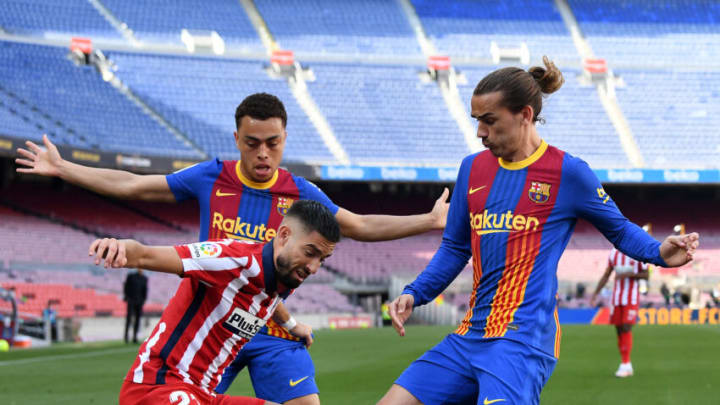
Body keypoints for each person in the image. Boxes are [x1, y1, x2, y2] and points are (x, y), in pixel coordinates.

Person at [16, 92, 449, 405]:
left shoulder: (300, 193)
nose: (263, 153)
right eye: (252, 142)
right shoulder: (211, 177)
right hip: (213, 328)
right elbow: (133, 184)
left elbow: (358, 225)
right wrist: (63, 169)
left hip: (270, 327)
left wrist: (428, 221)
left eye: (273, 143)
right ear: (238, 138)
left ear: (284, 138)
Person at [378, 56, 700, 405]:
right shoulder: (471, 169)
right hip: (470, 333)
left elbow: (620, 230)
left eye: (489, 121)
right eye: (477, 121)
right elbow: (456, 247)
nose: (479, 132)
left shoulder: (568, 172)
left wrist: (658, 253)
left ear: (525, 114)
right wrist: (416, 292)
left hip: (522, 339)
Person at [91, 200, 340, 405]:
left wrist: (292, 325)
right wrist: (117, 246)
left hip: (205, 395)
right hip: (159, 386)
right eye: (310, 253)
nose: (314, 268)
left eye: (322, 259)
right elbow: (146, 254)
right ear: (284, 236)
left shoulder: (282, 278)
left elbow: (267, 301)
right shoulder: (231, 259)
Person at [590, 248, 650, 377]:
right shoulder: (613, 253)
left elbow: (646, 275)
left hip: (631, 297)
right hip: (617, 297)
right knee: (618, 328)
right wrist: (595, 294)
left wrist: (629, 274)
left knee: (626, 326)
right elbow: (606, 275)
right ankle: (626, 364)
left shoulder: (637, 252)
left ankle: (625, 364)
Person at [124, 268, 148, 343]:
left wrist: (143, 300)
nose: (141, 269)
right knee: (129, 318)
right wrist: (127, 297)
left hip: (139, 301)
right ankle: (126, 336)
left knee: (138, 319)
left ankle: (135, 336)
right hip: (131, 300)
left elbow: (145, 290)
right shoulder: (131, 276)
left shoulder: (145, 278)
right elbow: (126, 286)